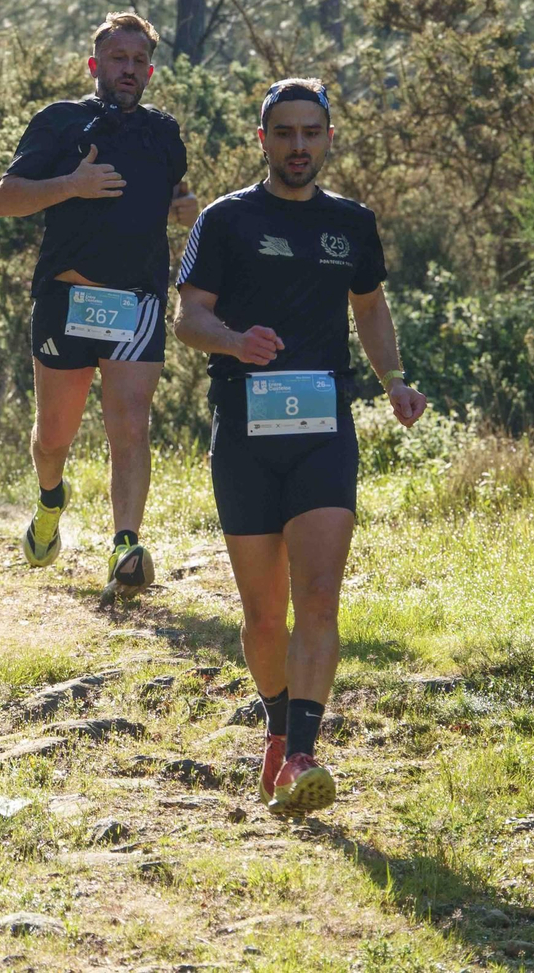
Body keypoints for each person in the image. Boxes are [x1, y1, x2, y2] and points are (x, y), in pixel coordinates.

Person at [173, 78, 427, 815]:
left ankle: (304, 755)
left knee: (318, 597)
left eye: (310, 133)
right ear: (263, 139)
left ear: (328, 139)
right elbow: (188, 317)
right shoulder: (225, 219)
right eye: (284, 133)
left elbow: (370, 306)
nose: (298, 146)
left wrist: (394, 380)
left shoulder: (352, 222)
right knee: (262, 617)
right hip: (244, 434)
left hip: (324, 431)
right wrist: (234, 341)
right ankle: (279, 726)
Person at [0, 12, 199, 605]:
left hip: (137, 301)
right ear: (95, 65)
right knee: (54, 436)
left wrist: (185, 207)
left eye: (139, 61)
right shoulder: (59, 121)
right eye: (118, 59)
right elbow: (6, 199)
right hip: (67, 298)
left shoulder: (164, 132)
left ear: (150, 71)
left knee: (130, 423)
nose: (128, 69)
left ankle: (125, 546)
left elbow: (174, 191)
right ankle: (50, 500)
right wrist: (71, 185)